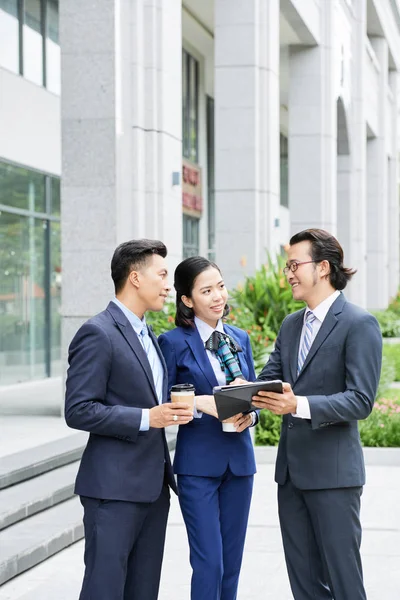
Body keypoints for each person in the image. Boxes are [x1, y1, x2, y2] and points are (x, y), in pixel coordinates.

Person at [253, 229, 382, 600]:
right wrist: (241, 396)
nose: (288, 273)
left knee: (344, 582)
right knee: (304, 584)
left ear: (323, 267)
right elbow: (269, 380)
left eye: (295, 264)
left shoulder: (359, 324)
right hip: (291, 477)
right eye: (287, 266)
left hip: (334, 478)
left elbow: (360, 401)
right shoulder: (291, 324)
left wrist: (300, 405)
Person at [64, 239, 194, 600]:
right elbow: (78, 409)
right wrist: (145, 418)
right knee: (104, 590)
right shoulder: (98, 332)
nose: (169, 285)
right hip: (113, 491)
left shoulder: (148, 334)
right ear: (135, 278)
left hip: (153, 489)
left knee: (143, 591)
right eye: (163, 274)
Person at [158, 256, 257, 600]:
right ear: (187, 299)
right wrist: (199, 402)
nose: (218, 296)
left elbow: (254, 394)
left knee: (231, 565)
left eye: (220, 287)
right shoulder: (172, 342)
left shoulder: (239, 337)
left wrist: (251, 415)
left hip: (240, 463)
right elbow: (162, 399)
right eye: (206, 290)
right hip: (198, 465)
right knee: (209, 563)